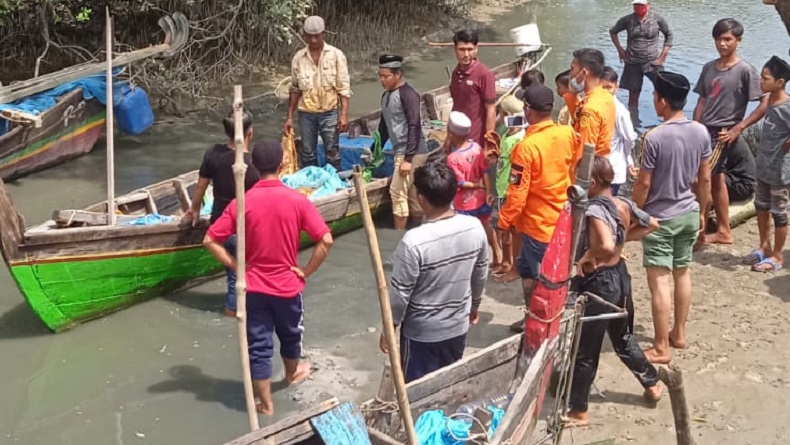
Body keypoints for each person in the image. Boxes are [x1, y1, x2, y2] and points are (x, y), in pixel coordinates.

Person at [203, 139, 334, 414]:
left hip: (253, 287)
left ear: (253, 166)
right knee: (290, 336)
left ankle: (265, 403)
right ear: (283, 164)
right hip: (287, 286)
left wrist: (237, 266)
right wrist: (306, 271)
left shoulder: (244, 202)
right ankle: (291, 375)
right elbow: (325, 240)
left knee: (259, 345)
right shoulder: (297, 200)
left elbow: (210, 240)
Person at [565, 156, 662, 428]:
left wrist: (586, 257)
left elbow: (605, 246)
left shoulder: (594, 209)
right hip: (621, 277)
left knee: (587, 348)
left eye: (580, 177)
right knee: (623, 337)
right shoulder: (624, 203)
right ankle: (652, 383)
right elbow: (652, 224)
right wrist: (623, 241)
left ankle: (579, 411)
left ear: (593, 182)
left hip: (600, 282)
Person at [632, 71, 712, 364]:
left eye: (654, 97)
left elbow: (643, 184)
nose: (654, 101)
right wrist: (703, 212)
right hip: (689, 211)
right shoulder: (701, 131)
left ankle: (661, 346)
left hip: (660, 218)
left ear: (662, 101)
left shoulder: (653, 137)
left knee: (660, 282)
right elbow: (704, 179)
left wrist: (634, 213)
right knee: (682, 273)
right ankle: (678, 334)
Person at [384, 161, 488, 382]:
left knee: (416, 391)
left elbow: (400, 295)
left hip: (422, 333)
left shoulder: (413, 242)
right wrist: (475, 305)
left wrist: (389, 327)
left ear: (421, 198)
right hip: (457, 327)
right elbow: (480, 273)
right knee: (447, 384)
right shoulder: (475, 227)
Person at [496, 84, 576, 333]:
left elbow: (517, 194)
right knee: (531, 271)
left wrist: (503, 222)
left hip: (537, 225)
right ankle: (533, 318)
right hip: (562, 219)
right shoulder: (568, 135)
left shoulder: (526, 147)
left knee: (542, 279)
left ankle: (541, 324)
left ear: (528, 111)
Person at [693, 18, 767, 248]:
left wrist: (739, 127)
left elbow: (764, 101)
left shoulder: (745, 70)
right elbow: (702, 100)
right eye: (718, 39)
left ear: (738, 40)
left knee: (702, 179)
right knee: (716, 180)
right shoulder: (709, 68)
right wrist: (693, 128)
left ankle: (701, 230)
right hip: (705, 130)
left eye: (727, 39)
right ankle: (723, 230)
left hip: (723, 132)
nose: (722, 44)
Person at [184, 109, 260, 317]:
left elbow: (200, 186)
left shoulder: (213, 154)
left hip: (219, 226)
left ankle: (234, 312)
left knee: (235, 276)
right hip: (243, 230)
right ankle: (235, 315)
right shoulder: (253, 164)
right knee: (242, 279)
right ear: (250, 133)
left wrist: (194, 209)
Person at [283, 16, 352, 170]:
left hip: (329, 112)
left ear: (323, 34)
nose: (313, 40)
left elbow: (343, 87)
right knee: (307, 152)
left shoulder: (336, 55)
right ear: (305, 36)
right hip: (306, 112)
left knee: (332, 151)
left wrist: (344, 114)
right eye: (310, 36)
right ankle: (311, 182)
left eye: (317, 36)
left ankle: (334, 182)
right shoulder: (299, 58)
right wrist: (289, 117)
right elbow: (295, 89)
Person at [743, 56, 790, 272]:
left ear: (780, 82)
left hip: (780, 171)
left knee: (779, 213)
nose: (761, 82)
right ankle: (764, 246)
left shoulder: (787, 106)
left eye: (765, 78)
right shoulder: (769, 100)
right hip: (763, 166)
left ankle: (778, 256)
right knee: (761, 206)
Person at [376, 54, 431, 230]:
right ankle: (418, 229)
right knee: (412, 196)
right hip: (400, 151)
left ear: (398, 74)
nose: (382, 80)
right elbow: (383, 127)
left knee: (397, 192)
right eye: (381, 76)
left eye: (386, 76)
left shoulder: (408, 94)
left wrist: (408, 159)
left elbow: (414, 125)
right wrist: (374, 150)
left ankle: (398, 235)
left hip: (413, 152)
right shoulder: (385, 96)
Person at [446, 112, 498, 265]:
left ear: (451, 133)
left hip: (464, 203)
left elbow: (461, 183)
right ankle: (497, 252)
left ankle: (468, 262)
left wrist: (477, 185)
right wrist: (488, 191)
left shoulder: (453, 159)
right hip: (482, 199)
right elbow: (486, 171)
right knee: (487, 225)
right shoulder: (476, 148)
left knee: (464, 233)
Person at [609, 0, 674, 108]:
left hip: (653, 62)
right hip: (632, 62)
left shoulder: (657, 19)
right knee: (633, 95)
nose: (638, 7)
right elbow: (613, 31)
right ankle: (633, 121)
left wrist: (663, 55)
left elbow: (669, 34)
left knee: (663, 89)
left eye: (641, 5)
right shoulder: (628, 19)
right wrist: (620, 50)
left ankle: (667, 120)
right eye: (636, 5)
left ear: (648, 5)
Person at [490, 95, 526, 280]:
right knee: (503, 230)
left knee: (509, 230)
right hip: (501, 188)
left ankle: (511, 264)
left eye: (502, 114)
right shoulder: (507, 135)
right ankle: (505, 262)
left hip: (510, 191)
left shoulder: (519, 140)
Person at [449, 29, 496, 147]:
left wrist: (489, 142)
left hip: (475, 141)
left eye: (469, 49)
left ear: (476, 49)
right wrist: (448, 137)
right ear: (455, 49)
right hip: (456, 138)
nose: (466, 54)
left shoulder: (484, 74)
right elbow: (456, 105)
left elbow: (491, 110)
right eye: (461, 50)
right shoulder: (456, 73)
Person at [568, 48, 616, 163]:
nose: (570, 73)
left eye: (572, 68)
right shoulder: (606, 97)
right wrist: (572, 93)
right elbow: (576, 117)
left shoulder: (590, 109)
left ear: (584, 73)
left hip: (588, 171)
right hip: (601, 164)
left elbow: (585, 152)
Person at [601, 66, 638, 196]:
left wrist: (628, 160)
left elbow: (629, 138)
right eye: (602, 88)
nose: (605, 92)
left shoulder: (620, 111)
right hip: (596, 168)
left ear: (616, 87)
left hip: (612, 166)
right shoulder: (594, 106)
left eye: (609, 88)